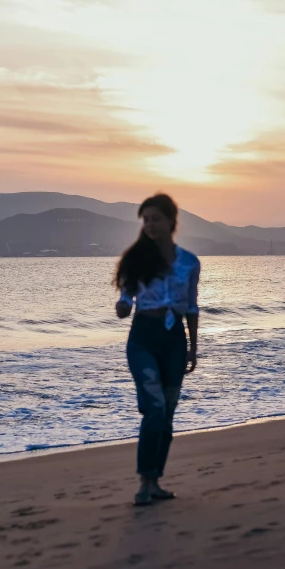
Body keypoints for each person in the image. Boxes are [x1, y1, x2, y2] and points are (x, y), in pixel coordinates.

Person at [115, 193, 200, 506]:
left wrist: (192, 347)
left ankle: (155, 481)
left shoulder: (189, 262)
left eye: (155, 219)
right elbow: (126, 297)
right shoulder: (135, 258)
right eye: (145, 219)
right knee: (154, 408)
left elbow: (191, 306)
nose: (149, 225)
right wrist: (122, 306)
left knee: (167, 414)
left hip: (174, 339)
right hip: (143, 337)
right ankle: (143, 483)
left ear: (171, 222)